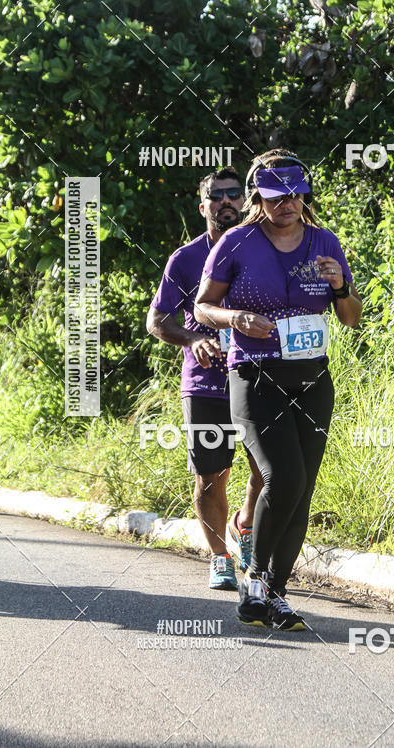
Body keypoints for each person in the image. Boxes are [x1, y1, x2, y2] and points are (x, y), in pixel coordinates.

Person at [194, 149, 362, 630]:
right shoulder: (236, 243)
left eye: (294, 194)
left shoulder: (324, 241)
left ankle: (275, 592)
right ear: (256, 198)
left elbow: (352, 320)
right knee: (282, 477)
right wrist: (236, 318)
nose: (287, 204)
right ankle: (254, 578)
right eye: (275, 196)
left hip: (312, 380)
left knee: (302, 489)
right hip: (255, 376)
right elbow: (204, 306)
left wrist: (341, 288)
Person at [147, 167, 263, 590]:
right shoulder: (186, 258)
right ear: (204, 207)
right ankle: (220, 559)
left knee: (266, 470)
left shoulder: (265, 248)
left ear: (246, 201)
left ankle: (245, 525)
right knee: (210, 476)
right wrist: (192, 338)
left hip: (258, 378)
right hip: (207, 383)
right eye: (218, 196)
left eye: (234, 194)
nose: (227, 202)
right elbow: (157, 320)